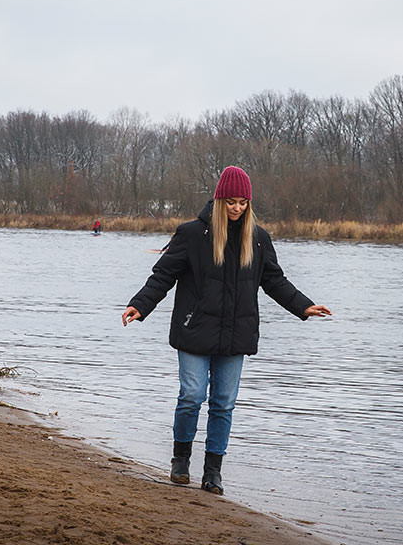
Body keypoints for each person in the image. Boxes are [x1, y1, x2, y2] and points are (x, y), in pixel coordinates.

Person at [121, 166, 331, 495]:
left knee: (223, 404)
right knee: (192, 396)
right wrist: (140, 305)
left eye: (243, 203)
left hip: (236, 334)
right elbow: (163, 275)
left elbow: (275, 281)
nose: (237, 208)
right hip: (194, 329)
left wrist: (303, 306)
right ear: (219, 200)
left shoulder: (258, 239)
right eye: (231, 202)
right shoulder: (192, 234)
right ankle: (181, 460)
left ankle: (213, 472)